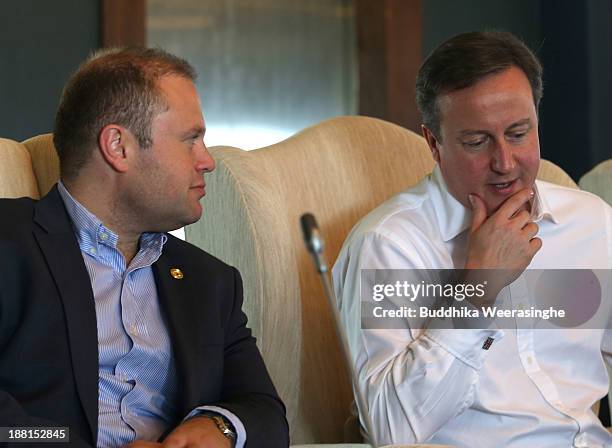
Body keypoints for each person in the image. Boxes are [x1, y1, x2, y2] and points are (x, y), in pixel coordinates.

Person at [333, 31, 612, 447]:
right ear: (434, 142)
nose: (504, 162)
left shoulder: (591, 221)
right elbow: (390, 430)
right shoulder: (389, 244)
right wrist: (477, 288)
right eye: (477, 142)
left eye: (518, 134)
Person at [0, 48, 288, 448]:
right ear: (118, 147)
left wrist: (219, 427)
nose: (207, 161)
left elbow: (265, 412)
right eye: (191, 140)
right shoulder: (9, 243)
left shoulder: (211, 281)